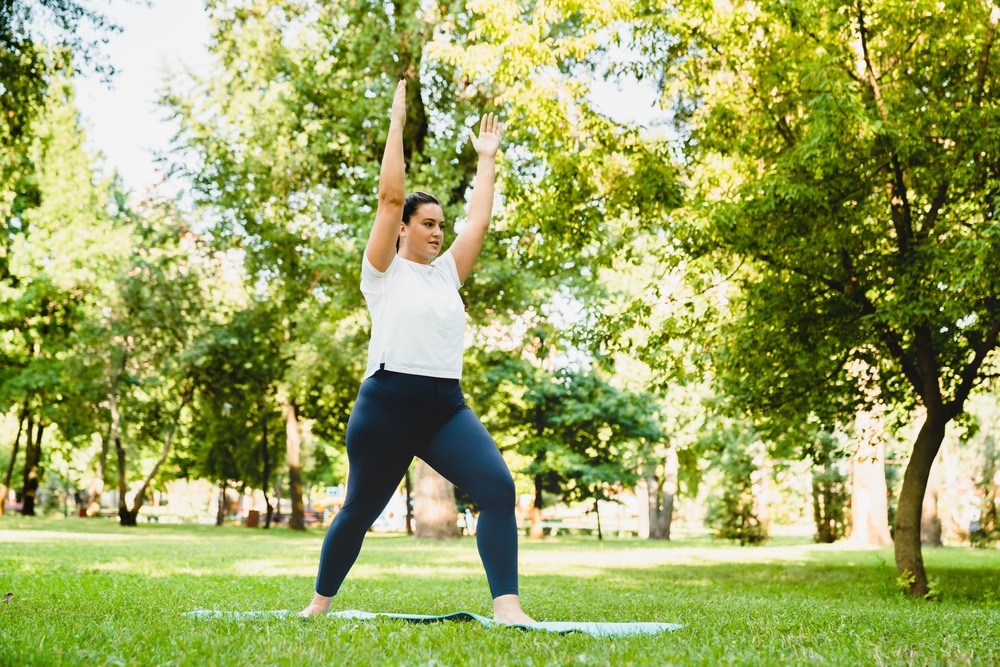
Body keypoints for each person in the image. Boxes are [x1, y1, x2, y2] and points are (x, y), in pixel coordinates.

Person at [300, 80, 533, 624]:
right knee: (359, 510)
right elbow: (387, 197)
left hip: (444, 409)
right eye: (426, 224)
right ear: (403, 229)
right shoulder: (382, 272)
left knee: (498, 488)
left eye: (439, 226)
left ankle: (509, 608)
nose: (436, 232)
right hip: (386, 407)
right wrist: (396, 124)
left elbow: (478, 221)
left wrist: (487, 159)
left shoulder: (447, 274)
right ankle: (318, 605)